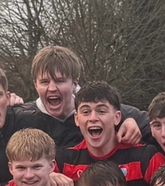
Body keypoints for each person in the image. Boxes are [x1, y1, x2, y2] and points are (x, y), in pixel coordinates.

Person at [13, 46, 146, 149]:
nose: (52, 88)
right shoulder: (20, 116)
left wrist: (130, 120)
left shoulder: (100, 109)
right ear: (35, 85)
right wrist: (2, 104)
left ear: (74, 84)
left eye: (60, 81)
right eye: (44, 82)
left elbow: (154, 123)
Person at [57, 82, 165, 186]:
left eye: (101, 111)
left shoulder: (145, 156)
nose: (93, 118)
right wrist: (47, 179)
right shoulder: (63, 161)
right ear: (77, 119)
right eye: (86, 112)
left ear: (117, 117)